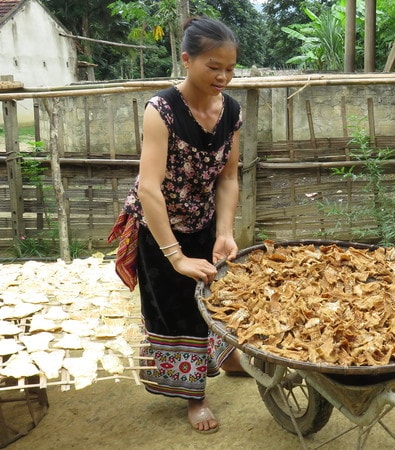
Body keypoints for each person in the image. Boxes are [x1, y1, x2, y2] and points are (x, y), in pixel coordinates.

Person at [108, 16, 247, 434]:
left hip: (203, 219)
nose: (223, 76)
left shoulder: (232, 112)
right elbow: (149, 188)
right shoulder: (162, 110)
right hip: (158, 227)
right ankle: (194, 395)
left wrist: (224, 232)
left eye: (230, 67)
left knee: (214, 295)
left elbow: (228, 177)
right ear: (186, 60)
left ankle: (227, 356)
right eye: (212, 66)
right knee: (177, 308)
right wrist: (176, 256)